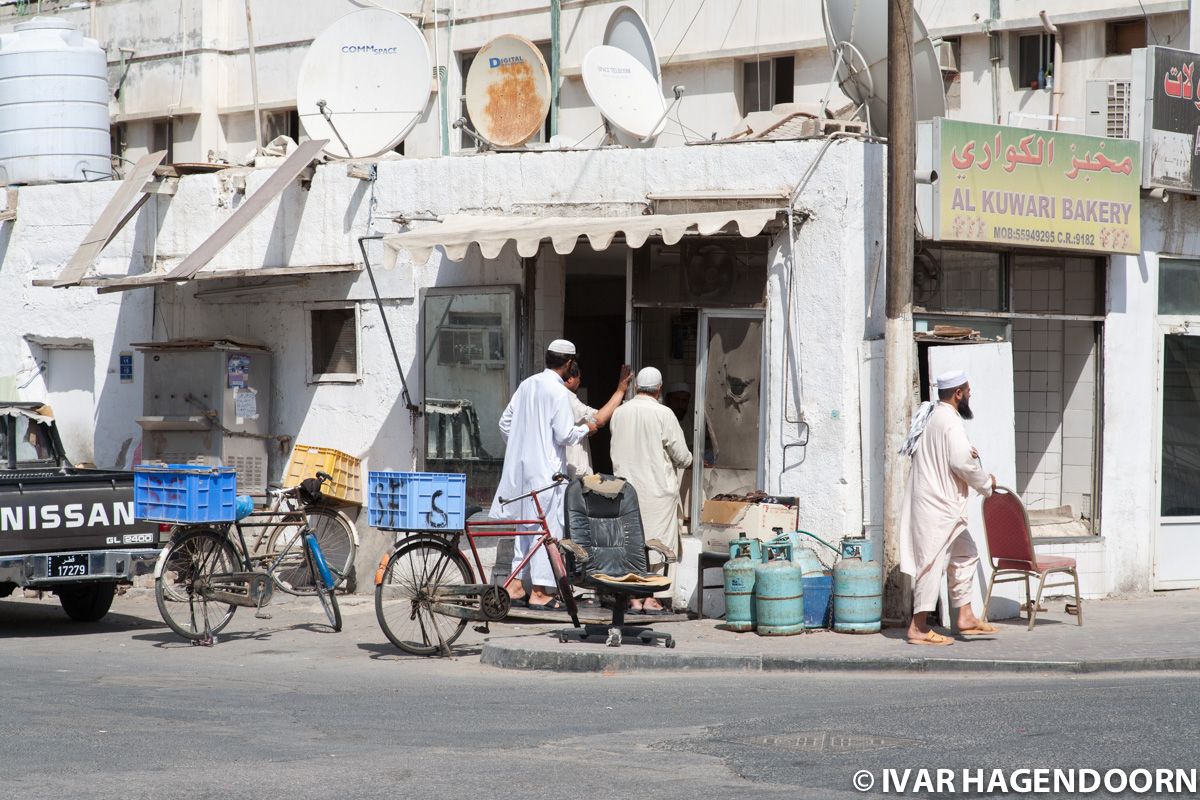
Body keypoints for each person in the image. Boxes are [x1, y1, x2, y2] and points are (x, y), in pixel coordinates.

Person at [490, 339, 596, 610]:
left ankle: (514, 587)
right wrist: (587, 428)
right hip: (547, 475)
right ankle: (538, 591)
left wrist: (522, 446)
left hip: (522, 472)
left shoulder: (528, 384)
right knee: (544, 531)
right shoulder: (558, 392)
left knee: (525, 528)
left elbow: (505, 423)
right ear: (569, 363)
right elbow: (564, 434)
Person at [899, 369, 999, 646]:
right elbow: (960, 463)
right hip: (937, 507)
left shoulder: (936, 417)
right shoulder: (949, 421)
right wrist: (986, 484)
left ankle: (965, 615)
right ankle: (918, 628)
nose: (970, 395)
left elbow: (953, 455)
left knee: (966, 553)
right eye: (968, 391)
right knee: (930, 565)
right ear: (958, 393)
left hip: (941, 506)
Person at [609, 366, 693, 614]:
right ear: (659, 389)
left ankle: (633, 597)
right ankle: (653, 599)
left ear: (636, 387)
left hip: (626, 492)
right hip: (658, 492)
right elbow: (682, 456)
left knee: (631, 544)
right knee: (660, 547)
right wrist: (690, 460)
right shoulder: (664, 414)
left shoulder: (619, 413)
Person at [563, 362, 633, 479]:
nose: (580, 382)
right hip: (572, 470)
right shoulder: (565, 396)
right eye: (579, 378)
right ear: (570, 379)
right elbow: (599, 419)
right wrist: (620, 390)